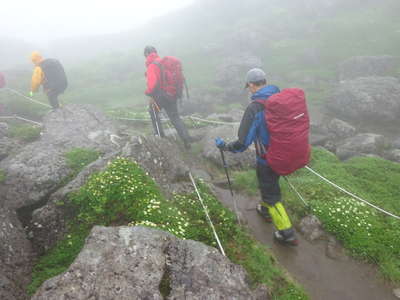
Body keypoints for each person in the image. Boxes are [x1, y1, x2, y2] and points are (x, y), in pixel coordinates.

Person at [215, 68, 298, 246]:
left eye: (249, 86)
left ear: (252, 85)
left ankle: (286, 232)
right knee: (270, 185)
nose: (249, 89)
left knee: (271, 195)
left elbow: (244, 141)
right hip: (284, 154)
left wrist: (226, 147)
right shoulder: (280, 97)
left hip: (267, 159)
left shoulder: (255, 107)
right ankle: (265, 209)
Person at [144, 46, 193, 149]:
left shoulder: (152, 66)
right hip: (172, 94)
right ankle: (186, 139)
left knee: (153, 111)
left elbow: (153, 84)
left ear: (147, 54)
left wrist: (147, 92)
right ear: (155, 52)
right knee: (175, 117)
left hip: (160, 96)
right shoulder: (164, 62)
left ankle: (160, 137)